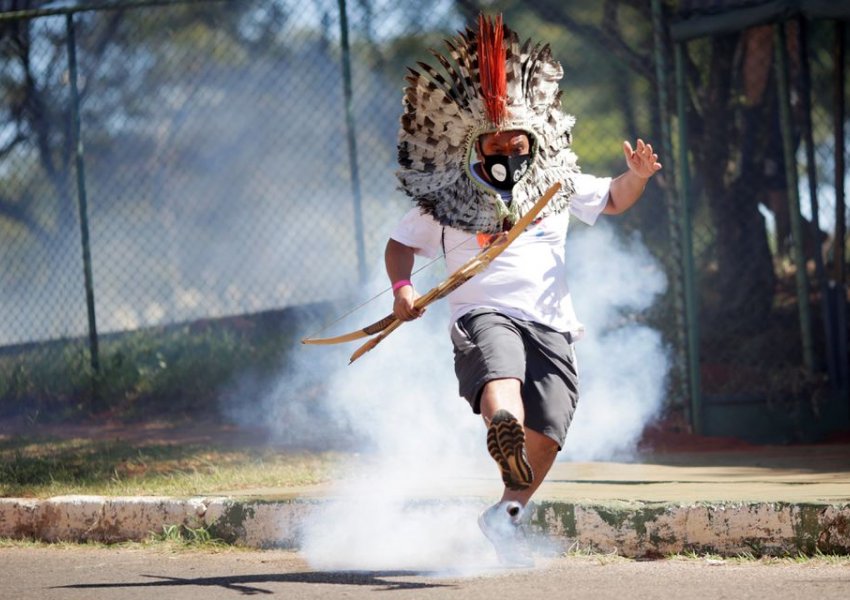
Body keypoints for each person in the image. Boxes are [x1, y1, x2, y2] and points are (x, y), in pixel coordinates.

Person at [385, 15, 661, 567]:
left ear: (532, 138)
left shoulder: (557, 182)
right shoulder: (447, 197)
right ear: (477, 144)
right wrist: (402, 289)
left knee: (553, 428)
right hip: (482, 313)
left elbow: (612, 199)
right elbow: (400, 244)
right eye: (497, 141)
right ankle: (503, 426)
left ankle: (507, 512)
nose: (508, 148)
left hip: (552, 322)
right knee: (500, 371)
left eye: (517, 139)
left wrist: (638, 177)